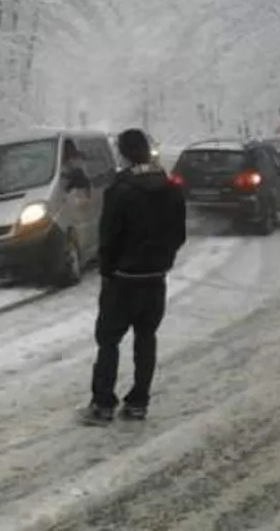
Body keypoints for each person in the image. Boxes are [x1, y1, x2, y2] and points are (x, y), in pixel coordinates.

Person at [82, 128, 186, 425]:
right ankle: (138, 402)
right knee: (146, 337)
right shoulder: (170, 187)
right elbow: (179, 234)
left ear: (124, 154)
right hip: (155, 278)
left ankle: (102, 404)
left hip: (123, 279)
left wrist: (108, 271)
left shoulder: (120, 189)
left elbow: (109, 237)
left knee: (108, 340)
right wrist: (162, 259)